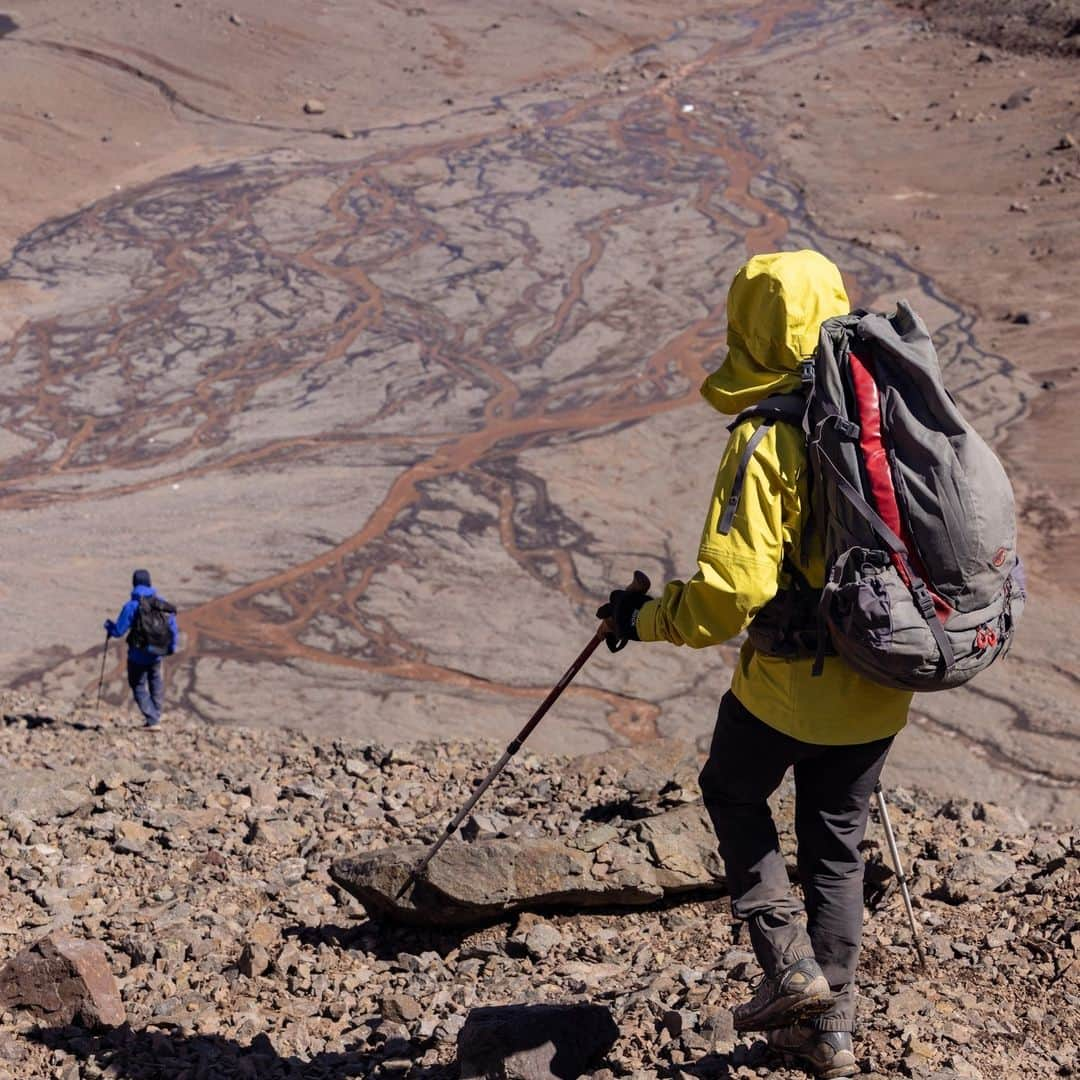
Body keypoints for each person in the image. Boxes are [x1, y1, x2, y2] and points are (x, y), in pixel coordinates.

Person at [598, 250, 912, 1079]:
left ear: (754, 327)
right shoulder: (887, 412)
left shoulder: (770, 436)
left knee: (731, 790)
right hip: (884, 678)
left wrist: (646, 617)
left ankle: (790, 968)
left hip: (786, 687)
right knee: (837, 847)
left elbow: (727, 599)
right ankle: (828, 1031)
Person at [104, 569, 178, 729]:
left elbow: (119, 631)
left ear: (134, 583)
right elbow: (172, 628)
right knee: (155, 681)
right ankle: (156, 713)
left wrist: (109, 627)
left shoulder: (131, 606)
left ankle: (153, 719)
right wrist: (171, 648)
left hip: (137, 655)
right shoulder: (161, 603)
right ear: (150, 583)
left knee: (137, 684)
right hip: (157, 654)